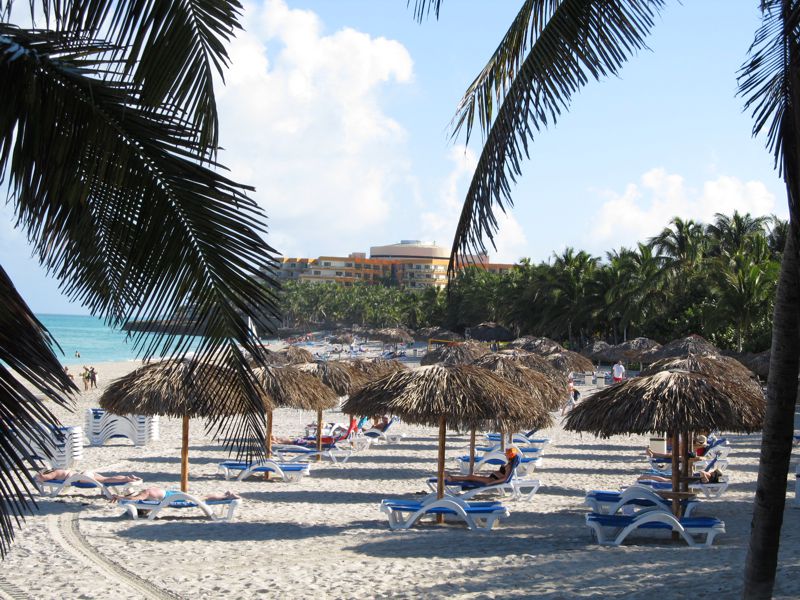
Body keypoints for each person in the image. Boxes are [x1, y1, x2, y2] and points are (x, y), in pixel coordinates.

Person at [444, 447, 519, 485]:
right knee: (472, 477)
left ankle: (452, 478)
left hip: (492, 480)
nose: (505, 454)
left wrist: (491, 483)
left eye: (507, 453)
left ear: (510, 456)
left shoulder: (509, 467)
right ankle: (453, 478)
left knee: (471, 477)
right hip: (492, 478)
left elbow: (505, 479)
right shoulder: (508, 463)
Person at [111, 487, 240, 503]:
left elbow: (136, 499)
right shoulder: (148, 489)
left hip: (173, 498)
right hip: (172, 493)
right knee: (202, 495)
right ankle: (225, 494)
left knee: (202, 498)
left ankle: (227, 497)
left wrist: (121, 497)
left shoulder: (145, 493)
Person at [35, 468, 142, 485]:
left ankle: (127, 478)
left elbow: (46, 478)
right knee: (105, 478)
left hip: (80, 477)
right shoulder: (62, 470)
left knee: (105, 480)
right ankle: (127, 477)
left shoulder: (56, 473)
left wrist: (40, 477)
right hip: (85, 472)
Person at [638, 467, 724, 485]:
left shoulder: (707, 479)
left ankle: (645, 476)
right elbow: (701, 472)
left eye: (713, 472)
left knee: (664, 479)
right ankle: (646, 476)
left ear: (714, 474)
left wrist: (705, 474)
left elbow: (701, 472)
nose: (712, 472)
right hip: (685, 477)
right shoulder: (707, 477)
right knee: (664, 477)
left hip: (684, 479)